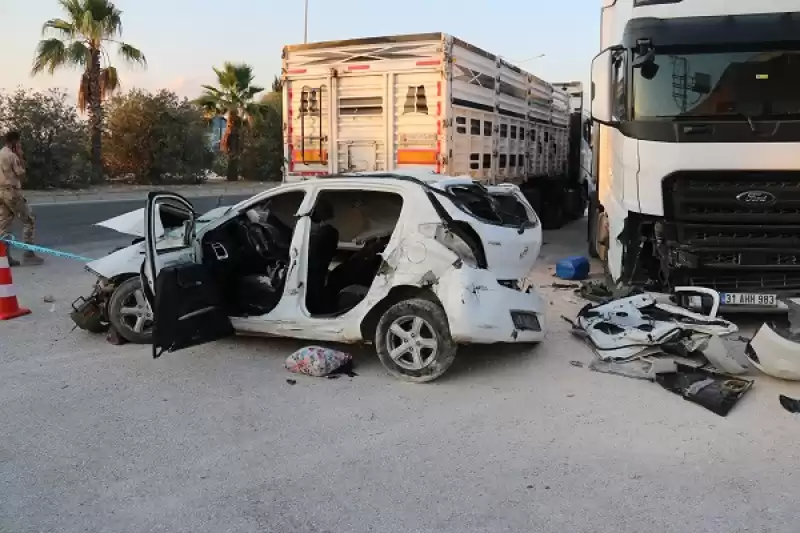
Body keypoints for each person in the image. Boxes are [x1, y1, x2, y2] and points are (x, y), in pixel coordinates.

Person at [0, 131, 43, 266]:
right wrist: (20, 156)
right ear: (14, 141)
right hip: (12, 192)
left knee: (4, 225)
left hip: (1, 192)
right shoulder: (12, 156)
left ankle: (4, 256)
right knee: (29, 220)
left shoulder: (0, 153)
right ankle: (29, 253)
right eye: (18, 142)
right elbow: (21, 174)